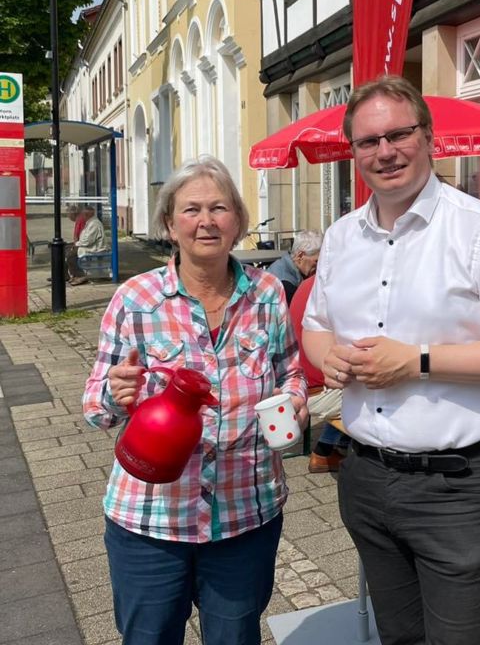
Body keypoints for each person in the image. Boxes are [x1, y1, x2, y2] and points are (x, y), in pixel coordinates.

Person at [303, 75, 480, 645]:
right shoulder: (341, 238)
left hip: (461, 488)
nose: (385, 151)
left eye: (399, 134)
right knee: (400, 638)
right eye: (369, 141)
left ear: (428, 137)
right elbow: (316, 325)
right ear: (354, 152)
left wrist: (417, 361)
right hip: (366, 476)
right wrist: (329, 360)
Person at [82, 155, 308, 645]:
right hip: (152, 521)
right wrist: (115, 394)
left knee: (235, 637)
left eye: (219, 208)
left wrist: (294, 401)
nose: (206, 221)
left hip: (245, 514)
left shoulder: (268, 293)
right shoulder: (135, 299)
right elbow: (95, 408)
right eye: (191, 210)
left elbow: (290, 371)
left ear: (239, 222)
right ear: (169, 224)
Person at [288, 275, 351, 473]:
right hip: (318, 390)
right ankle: (330, 450)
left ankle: (327, 448)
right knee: (373, 385)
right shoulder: (342, 285)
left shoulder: (307, 284)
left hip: (297, 385)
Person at [266, 229, 323, 304]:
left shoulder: (284, 264)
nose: (320, 266)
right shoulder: (286, 285)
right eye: (317, 261)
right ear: (300, 256)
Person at [67, 205, 106, 285]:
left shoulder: (94, 224)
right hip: (89, 246)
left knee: (71, 255)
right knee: (67, 251)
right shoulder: (90, 222)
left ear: (87, 215)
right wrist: (77, 244)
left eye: (83, 215)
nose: (82, 216)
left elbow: (88, 241)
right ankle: (73, 274)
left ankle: (80, 276)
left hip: (95, 248)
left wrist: (77, 244)